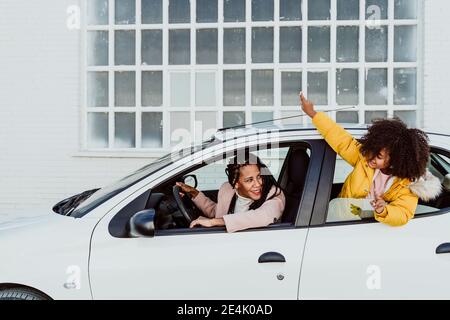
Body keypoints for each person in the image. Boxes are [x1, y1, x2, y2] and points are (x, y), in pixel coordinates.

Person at [299, 92, 442, 226]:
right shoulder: (364, 159)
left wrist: (384, 210)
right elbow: (341, 140)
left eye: (379, 157)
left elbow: (403, 213)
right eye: (373, 151)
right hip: (339, 221)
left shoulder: (407, 185)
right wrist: (313, 114)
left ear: (395, 161)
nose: (372, 158)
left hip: (365, 231)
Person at [176, 152, 285, 233]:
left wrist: (213, 222)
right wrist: (194, 193)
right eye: (249, 180)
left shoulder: (274, 195)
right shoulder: (228, 190)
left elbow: (262, 217)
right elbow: (216, 212)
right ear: (236, 183)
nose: (258, 184)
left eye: (259, 177)